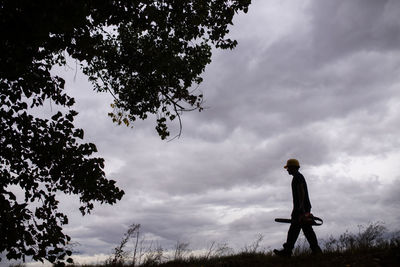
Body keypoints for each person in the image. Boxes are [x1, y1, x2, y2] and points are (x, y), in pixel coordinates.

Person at [274, 159, 322, 257]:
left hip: (300, 209)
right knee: (302, 229)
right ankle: (315, 251)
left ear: (293, 167)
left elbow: (301, 191)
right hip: (302, 208)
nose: (287, 170)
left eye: (288, 168)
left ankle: (287, 251)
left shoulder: (298, 177)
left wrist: (301, 207)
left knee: (296, 229)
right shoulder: (298, 177)